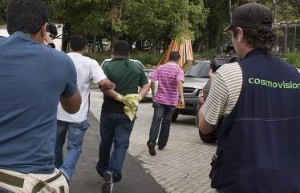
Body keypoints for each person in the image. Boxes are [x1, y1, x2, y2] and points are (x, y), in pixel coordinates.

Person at [198, 3, 300, 193]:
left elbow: (205, 128)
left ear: (240, 33)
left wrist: (209, 93)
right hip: (289, 184)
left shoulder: (229, 74)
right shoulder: (295, 75)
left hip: (242, 184)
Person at [0, 0, 81, 193]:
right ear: (44, 28)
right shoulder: (60, 61)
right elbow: (73, 106)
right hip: (27, 179)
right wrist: (50, 48)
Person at [54, 34, 115, 183]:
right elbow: (104, 83)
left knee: (55, 146)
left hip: (57, 113)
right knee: (74, 148)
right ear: (85, 47)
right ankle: (65, 173)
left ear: (69, 46)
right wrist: (112, 85)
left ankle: (56, 176)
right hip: (78, 115)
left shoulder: (59, 59)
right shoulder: (90, 63)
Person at [96, 40, 150, 193]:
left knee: (105, 142)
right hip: (128, 113)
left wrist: (119, 97)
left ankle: (102, 169)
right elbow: (147, 85)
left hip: (108, 111)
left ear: (113, 51)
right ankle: (112, 173)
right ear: (129, 53)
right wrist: (138, 97)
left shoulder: (106, 65)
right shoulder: (137, 66)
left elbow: (104, 87)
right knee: (121, 144)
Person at [147, 51, 184, 156]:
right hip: (171, 101)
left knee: (156, 120)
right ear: (178, 60)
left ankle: (151, 141)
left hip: (159, 100)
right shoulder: (179, 70)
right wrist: (182, 97)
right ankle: (162, 144)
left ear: (169, 58)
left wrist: (154, 94)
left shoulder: (160, 68)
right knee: (167, 122)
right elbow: (179, 82)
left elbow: (153, 81)